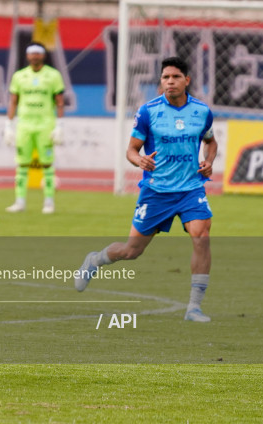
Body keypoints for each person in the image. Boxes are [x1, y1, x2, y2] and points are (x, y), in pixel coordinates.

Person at [73, 57, 217, 324]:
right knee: (131, 251)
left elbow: (210, 142)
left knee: (201, 236)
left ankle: (194, 307)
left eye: (175, 77)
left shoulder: (201, 111)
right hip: (156, 191)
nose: (169, 82)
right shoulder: (149, 111)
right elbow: (132, 149)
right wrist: (139, 160)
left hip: (190, 189)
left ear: (187, 80)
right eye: (165, 78)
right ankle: (95, 260)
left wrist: (209, 162)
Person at [3, 43, 65, 215]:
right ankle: (20, 201)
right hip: (24, 125)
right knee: (22, 165)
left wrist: (60, 125)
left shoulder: (53, 75)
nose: (35, 56)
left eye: (38, 53)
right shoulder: (19, 76)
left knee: (47, 165)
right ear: (27, 56)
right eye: (32, 53)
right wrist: (8, 125)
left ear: (43, 56)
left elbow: (60, 101)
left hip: (45, 124)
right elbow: (13, 101)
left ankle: (49, 202)